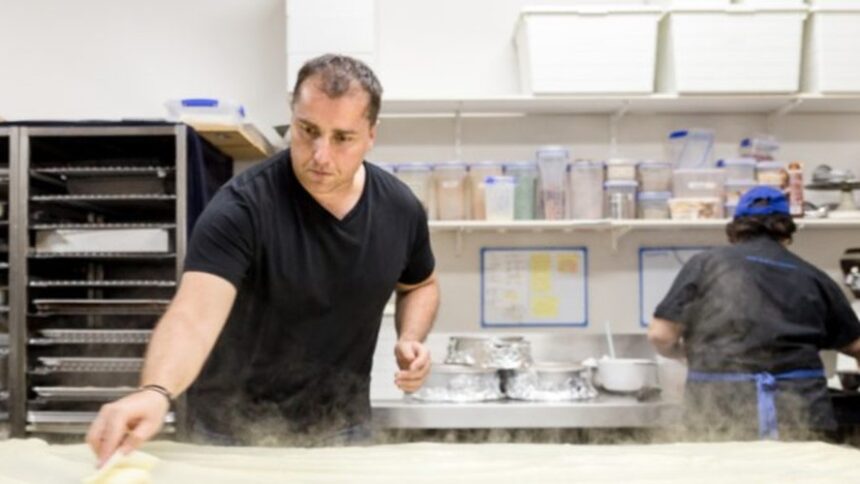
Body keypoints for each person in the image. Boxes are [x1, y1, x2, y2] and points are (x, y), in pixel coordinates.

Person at [86, 54, 439, 464]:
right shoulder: (241, 208)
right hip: (230, 435)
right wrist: (155, 391)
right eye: (308, 131)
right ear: (292, 118)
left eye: (342, 138)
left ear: (371, 135)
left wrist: (410, 337)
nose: (320, 155)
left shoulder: (400, 209)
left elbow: (421, 284)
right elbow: (193, 316)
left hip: (343, 429)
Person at [648, 185, 860, 440]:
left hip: (720, 409)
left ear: (736, 228)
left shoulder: (705, 264)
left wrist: (688, 353)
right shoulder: (813, 276)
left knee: (721, 465)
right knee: (800, 466)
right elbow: (857, 346)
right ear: (787, 231)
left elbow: (661, 335)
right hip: (800, 412)